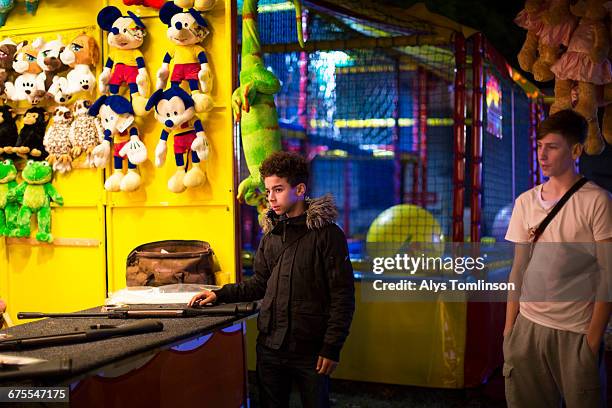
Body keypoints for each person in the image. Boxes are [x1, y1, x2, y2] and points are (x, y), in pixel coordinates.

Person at [190, 151, 355, 408]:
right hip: (270, 347)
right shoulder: (271, 236)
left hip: (311, 350)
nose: (271, 198)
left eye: (278, 189)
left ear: (299, 189)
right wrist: (219, 294)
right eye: (268, 191)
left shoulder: (328, 235)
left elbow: (342, 296)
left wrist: (331, 347)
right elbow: (259, 283)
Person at [503, 109, 612, 407]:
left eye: (552, 146)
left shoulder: (597, 201)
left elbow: (608, 274)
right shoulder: (525, 202)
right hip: (526, 328)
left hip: (576, 332)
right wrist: (509, 330)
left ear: (575, 150)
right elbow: (518, 270)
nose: (542, 154)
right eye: (539, 146)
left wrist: (592, 341)